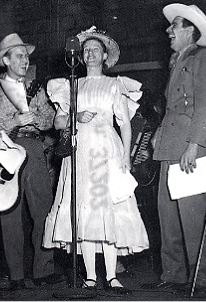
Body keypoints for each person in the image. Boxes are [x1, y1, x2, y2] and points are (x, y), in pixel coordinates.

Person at [43, 26, 149, 295]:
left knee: (106, 209)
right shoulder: (71, 85)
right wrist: (75, 118)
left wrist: (125, 156)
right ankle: (90, 276)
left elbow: (125, 124)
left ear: (104, 56)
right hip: (79, 153)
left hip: (106, 152)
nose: (90, 54)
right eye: (86, 50)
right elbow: (58, 121)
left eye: (95, 50)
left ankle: (112, 276)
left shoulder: (114, 85)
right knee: (84, 210)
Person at [143, 4, 206, 293]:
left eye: (174, 25)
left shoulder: (202, 57)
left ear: (190, 30)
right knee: (168, 213)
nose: (168, 30)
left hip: (188, 146)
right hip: (169, 146)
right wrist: (157, 137)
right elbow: (172, 108)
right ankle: (172, 274)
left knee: (192, 216)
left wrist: (194, 145)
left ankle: (201, 277)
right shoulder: (178, 60)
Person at [0, 33, 64, 290]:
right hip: (6, 149)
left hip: (33, 146)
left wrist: (37, 120)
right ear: (6, 60)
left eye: (27, 56)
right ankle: (16, 275)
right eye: (19, 56)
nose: (25, 60)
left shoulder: (35, 88)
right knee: (10, 212)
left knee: (43, 208)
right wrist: (14, 122)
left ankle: (43, 270)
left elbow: (51, 118)